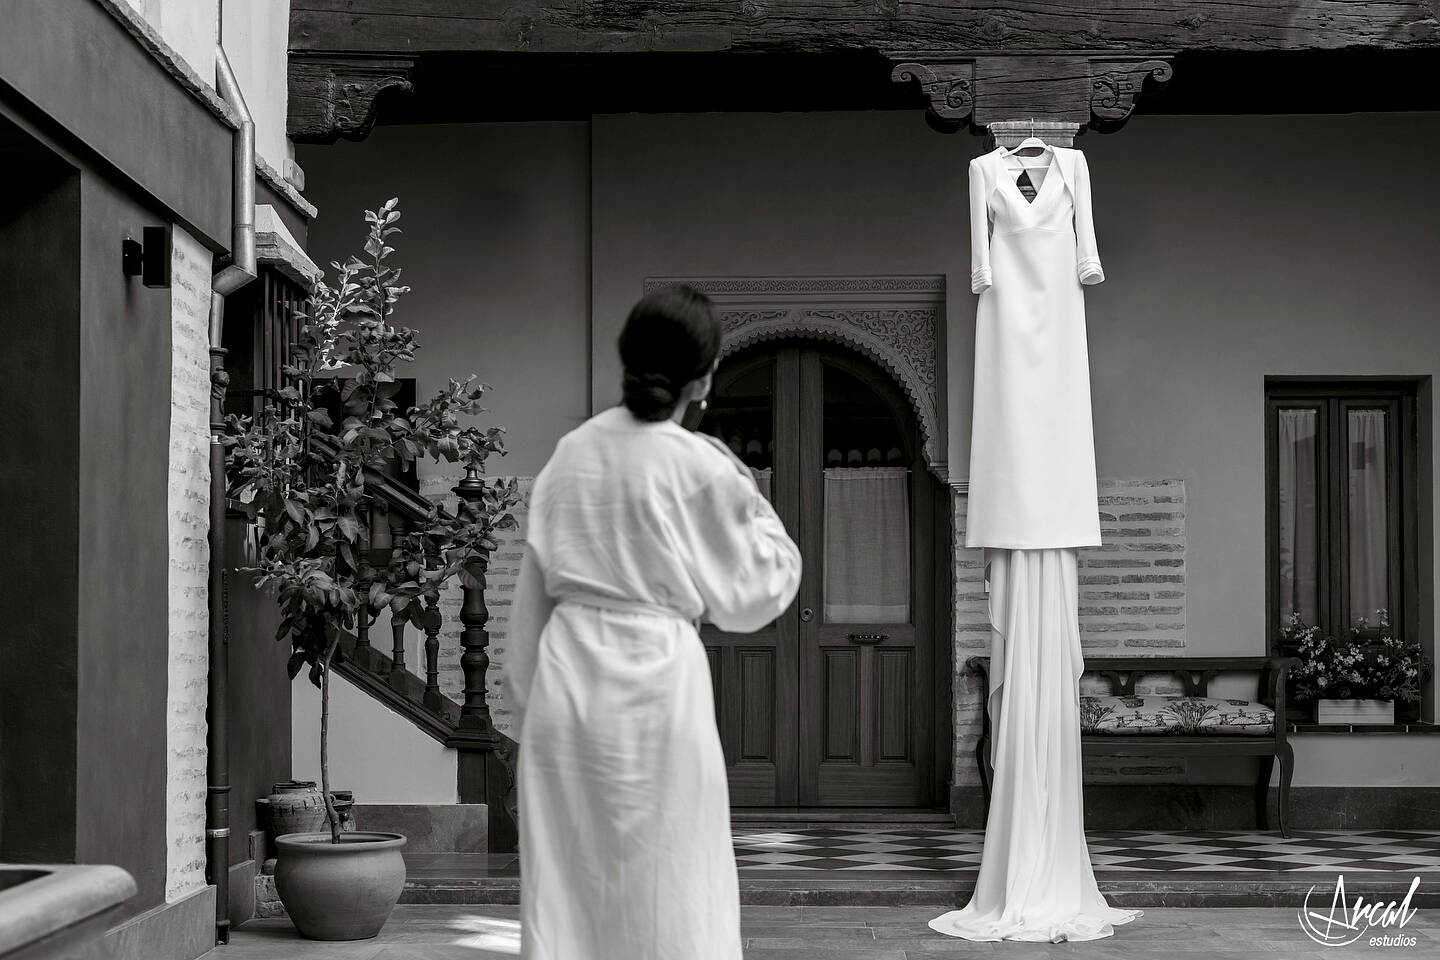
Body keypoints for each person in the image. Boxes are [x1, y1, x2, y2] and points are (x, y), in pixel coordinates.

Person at [502, 284, 803, 960]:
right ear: (704, 377)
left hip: (567, 690)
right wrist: (747, 490)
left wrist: (523, 714)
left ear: (627, 357)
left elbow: (532, 602)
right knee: (673, 880)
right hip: (660, 689)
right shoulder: (699, 467)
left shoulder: (569, 455)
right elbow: (760, 589)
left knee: (569, 892)